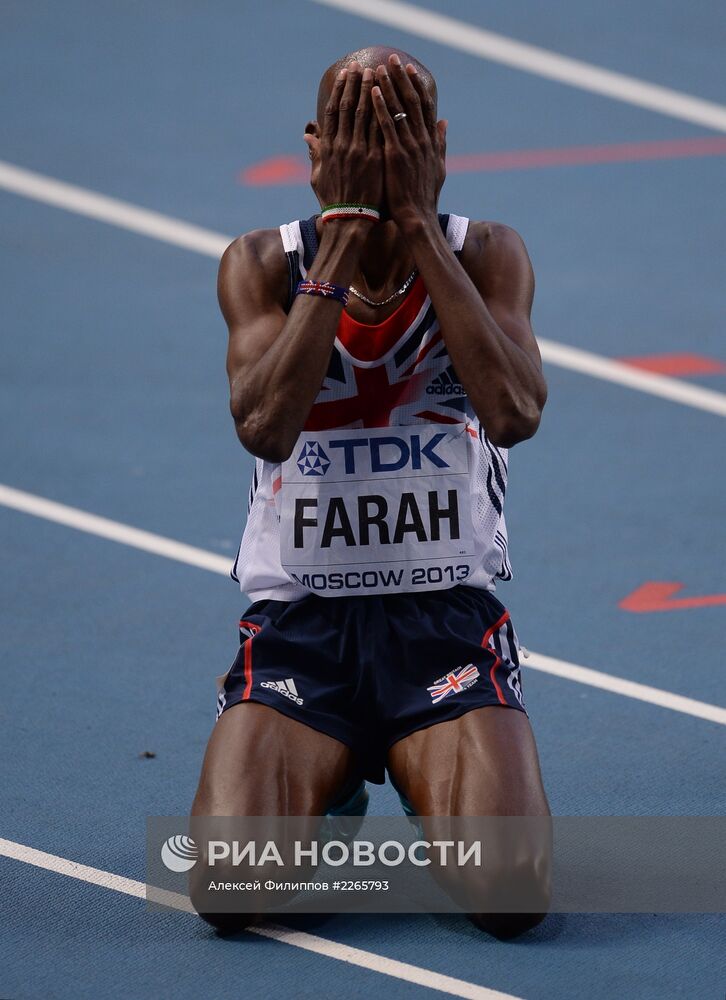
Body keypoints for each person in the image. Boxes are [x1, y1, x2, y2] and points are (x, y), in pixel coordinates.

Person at [191, 45, 550, 938]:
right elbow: (266, 424)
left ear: (435, 146)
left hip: (442, 624)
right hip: (303, 631)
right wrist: (344, 241)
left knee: (511, 900)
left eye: (395, 138)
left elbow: (512, 412)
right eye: (355, 139)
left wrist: (420, 228)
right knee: (228, 892)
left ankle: (409, 767)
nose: (374, 156)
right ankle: (339, 772)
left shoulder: (490, 254)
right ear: (315, 151)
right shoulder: (260, 264)